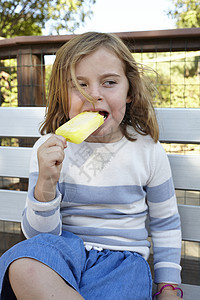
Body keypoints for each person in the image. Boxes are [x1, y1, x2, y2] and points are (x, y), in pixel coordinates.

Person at [0, 32, 182, 300]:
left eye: (109, 82)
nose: (93, 94)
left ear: (129, 91)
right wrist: (46, 186)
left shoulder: (148, 151)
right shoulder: (48, 150)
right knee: (22, 264)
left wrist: (168, 286)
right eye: (78, 84)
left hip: (123, 261)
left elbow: (165, 224)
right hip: (62, 251)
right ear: (62, 94)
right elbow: (38, 236)